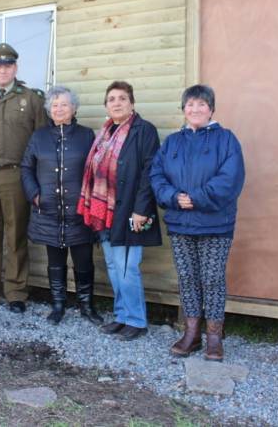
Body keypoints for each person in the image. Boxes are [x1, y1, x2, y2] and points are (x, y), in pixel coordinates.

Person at [150, 84, 245, 361]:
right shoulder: (172, 142)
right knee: (188, 279)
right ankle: (191, 333)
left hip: (215, 224)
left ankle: (214, 337)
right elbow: (157, 177)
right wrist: (173, 197)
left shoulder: (226, 140)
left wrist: (198, 198)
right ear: (183, 110)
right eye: (190, 105)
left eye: (201, 105)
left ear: (211, 109)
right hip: (180, 224)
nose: (195, 109)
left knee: (213, 279)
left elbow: (231, 179)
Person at [78, 81, 161, 341]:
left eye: (122, 98)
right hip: (104, 213)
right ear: (106, 106)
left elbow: (150, 172)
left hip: (129, 211)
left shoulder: (144, 130)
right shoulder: (104, 133)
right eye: (111, 99)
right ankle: (122, 316)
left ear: (132, 103)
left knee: (128, 268)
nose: (116, 103)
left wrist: (141, 210)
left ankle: (137, 320)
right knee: (114, 266)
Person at [0, 43, 48, 314]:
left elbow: (42, 139)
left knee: (16, 236)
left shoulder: (32, 98)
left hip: (17, 176)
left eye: (8, 65)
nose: (2, 70)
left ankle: (15, 292)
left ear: (15, 68)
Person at [20, 86, 102, 325]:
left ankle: (86, 305)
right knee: (55, 260)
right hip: (48, 210)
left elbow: (98, 169)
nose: (59, 109)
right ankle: (58, 305)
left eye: (64, 104)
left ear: (74, 108)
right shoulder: (39, 137)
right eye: (54, 105)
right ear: (49, 109)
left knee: (83, 260)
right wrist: (34, 194)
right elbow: (26, 167)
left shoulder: (87, 135)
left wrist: (91, 200)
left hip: (79, 212)